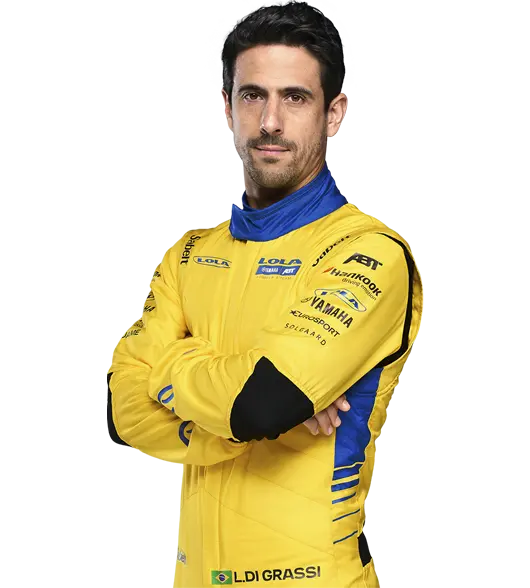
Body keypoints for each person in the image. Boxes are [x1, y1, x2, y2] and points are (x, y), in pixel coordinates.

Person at [106, 1, 424, 586]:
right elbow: (116, 412)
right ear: (228, 108)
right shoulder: (189, 253)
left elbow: (261, 404)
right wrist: (242, 418)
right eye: (253, 95)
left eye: (295, 98)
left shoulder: (369, 253)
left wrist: (168, 367)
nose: (270, 121)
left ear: (334, 114)